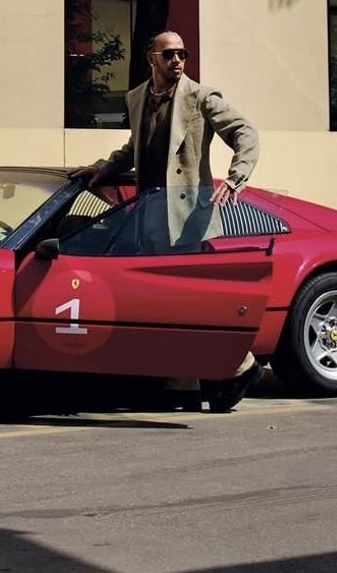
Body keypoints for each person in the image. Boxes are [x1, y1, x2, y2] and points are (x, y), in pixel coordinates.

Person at [75, 29, 261, 406]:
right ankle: (183, 385)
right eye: (169, 54)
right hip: (150, 217)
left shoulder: (201, 97)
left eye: (182, 54)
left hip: (188, 218)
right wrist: (103, 169)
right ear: (152, 58)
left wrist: (236, 177)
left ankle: (242, 365)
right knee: (165, 304)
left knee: (191, 302)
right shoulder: (137, 98)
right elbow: (135, 148)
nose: (177, 60)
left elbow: (245, 132)